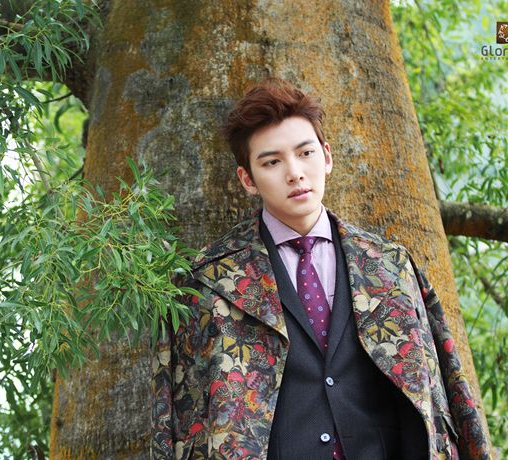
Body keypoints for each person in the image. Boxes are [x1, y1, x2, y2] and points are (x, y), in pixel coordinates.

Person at [151, 78, 490, 459]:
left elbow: (442, 394)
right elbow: (179, 419)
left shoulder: (390, 266)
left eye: (305, 153)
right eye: (272, 162)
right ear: (247, 179)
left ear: (327, 157)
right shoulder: (208, 282)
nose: (294, 172)